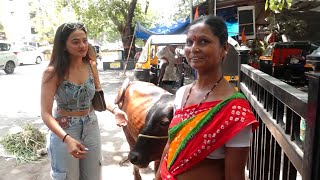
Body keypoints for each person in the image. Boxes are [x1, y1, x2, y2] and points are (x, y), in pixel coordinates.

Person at [155, 15, 258, 180]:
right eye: (189, 42)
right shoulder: (182, 93)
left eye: (203, 41)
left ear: (224, 48)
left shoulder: (235, 110)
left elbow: (234, 177)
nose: (194, 48)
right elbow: (171, 145)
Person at [40, 22, 127, 180]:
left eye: (85, 40)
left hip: (91, 126)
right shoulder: (52, 72)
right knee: (67, 177)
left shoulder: (91, 66)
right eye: (75, 41)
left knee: (93, 175)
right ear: (63, 45)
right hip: (65, 129)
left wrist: (115, 110)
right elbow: (45, 114)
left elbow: (96, 97)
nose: (82, 45)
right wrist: (66, 139)